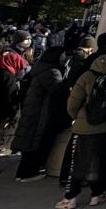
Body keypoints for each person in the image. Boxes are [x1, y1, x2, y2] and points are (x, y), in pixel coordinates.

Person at [57, 43, 106, 209]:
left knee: (76, 162)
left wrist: (76, 115)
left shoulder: (88, 74)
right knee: (102, 161)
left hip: (84, 125)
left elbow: (73, 101)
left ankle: (70, 197)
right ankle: (97, 194)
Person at [12, 46, 69, 182]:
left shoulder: (39, 68)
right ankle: (28, 172)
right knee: (38, 142)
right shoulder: (52, 72)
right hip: (42, 112)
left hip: (32, 110)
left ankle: (23, 171)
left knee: (30, 141)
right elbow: (59, 91)